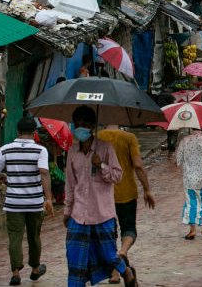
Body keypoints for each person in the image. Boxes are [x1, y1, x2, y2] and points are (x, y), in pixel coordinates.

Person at [63, 106, 137, 287]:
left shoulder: (105, 148)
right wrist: (67, 210)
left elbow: (117, 176)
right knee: (75, 259)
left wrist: (101, 165)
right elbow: (71, 183)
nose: (80, 127)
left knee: (108, 255)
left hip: (102, 213)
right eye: (77, 124)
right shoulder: (72, 151)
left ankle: (125, 271)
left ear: (92, 126)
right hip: (78, 214)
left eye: (84, 124)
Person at [0, 117, 52, 285]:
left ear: (17, 131)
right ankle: (34, 269)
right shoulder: (40, 150)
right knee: (34, 236)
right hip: (34, 202)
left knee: (15, 237)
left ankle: (16, 272)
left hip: (13, 203)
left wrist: (3, 177)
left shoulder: (5, 149)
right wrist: (49, 198)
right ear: (34, 133)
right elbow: (44, 173)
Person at [96, 126, 155, 283]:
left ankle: (115, 273)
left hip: (103, 195)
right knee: (128, 228)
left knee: (109, 233)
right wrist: (147, 189)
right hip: (126, 191)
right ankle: (123, 251)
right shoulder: (129, 137)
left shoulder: (96, 138)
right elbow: (138, 165)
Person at [176, 126, 202, 240]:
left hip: (188, 178)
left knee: (191, 202)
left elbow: (178, 160)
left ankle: (192, 230)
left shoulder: (184, 141)